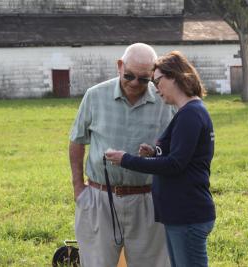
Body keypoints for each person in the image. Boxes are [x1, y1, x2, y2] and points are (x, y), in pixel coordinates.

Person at [105, 51, 216, 267]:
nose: (156, 89)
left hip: (187, 214)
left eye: (157, 81)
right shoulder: (187, 112)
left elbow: (175, 164)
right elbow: (182, 155)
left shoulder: (190, 114)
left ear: (175, 76)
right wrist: (155, 153)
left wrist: (126, 159)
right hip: (181, 213)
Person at [69, 43, 173, 267]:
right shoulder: (95, 95)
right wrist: (78, 188)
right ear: (119, 66)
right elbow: (77, 141)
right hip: (100, 199)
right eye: (129, 75)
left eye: (144, 79)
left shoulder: (166, 101)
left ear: (153, 74)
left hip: (149, 200)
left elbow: (179, 150)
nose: (135, 83)